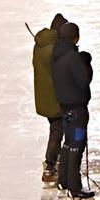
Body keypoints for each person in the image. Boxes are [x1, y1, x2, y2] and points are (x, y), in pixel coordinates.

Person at [51, 21, 95, 200]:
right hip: (77, 110)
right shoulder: (73, 57)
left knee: (68, 143)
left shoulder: (57, 56)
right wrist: (86, 62)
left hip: (65, 109)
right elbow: (84, 79)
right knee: (77, 144)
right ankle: (75, 188)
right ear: (76, 37)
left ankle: (64, 180)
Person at [32, 14, 70, 185]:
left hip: (44, 96)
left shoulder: (40, 46)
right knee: (57, 131)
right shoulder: (55, 50)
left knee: (56, 129)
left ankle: (58, 158)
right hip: (55, 98)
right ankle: (50, 166)